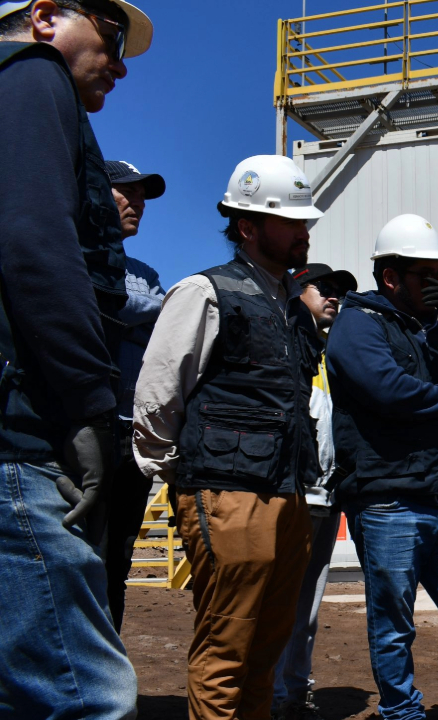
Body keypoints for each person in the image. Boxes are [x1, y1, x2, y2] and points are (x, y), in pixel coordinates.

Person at [133, 154, 325, 720]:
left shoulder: (294, 309)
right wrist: (181, 474)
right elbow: (158, 392)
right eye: (291, 221)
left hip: (287, 493)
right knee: (227, 647)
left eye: (305, 221)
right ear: (247, 226)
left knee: (266, 650)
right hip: (226, 494)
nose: (304, 232)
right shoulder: (205, 291)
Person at [0, 1, 152, 717]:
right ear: (44, 16)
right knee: (87, 696)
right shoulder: (34, 76)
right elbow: (35, 244)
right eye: (112, 38)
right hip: (20, 439)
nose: (120, 65)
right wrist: (91, 405)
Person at [325, 213, 438, 720]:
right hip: (387, 499)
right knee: (394, 622)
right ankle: (403, 712)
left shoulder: (437, 329)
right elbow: (391, 392)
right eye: (427, 276)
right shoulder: (357, 324)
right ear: (391, 277)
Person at [272, 263, 358, 720]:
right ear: (296, 289)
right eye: (323, 287)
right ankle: (267, 696)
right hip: (288, 494)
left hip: (326, 495)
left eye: (339, 291)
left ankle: (295, 693)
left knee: (306, 609)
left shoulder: (334, 351)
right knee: (275, 603)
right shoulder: (280, 339)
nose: (333, 296)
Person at [101, 158, 166, 633]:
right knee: (79, 551)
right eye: (129, 192)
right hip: (83, 426)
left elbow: (161, 334)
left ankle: (106, 660)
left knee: (118, 559)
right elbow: (103, 307)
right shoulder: (71, 253)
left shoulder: (144, 271)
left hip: (132, 431)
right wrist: (150, 309)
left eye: (143, 197)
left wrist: (130, 313)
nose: (138, 203)